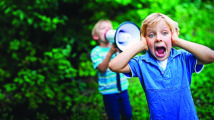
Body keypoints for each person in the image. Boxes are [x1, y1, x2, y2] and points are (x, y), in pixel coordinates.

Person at [109, 13, 214, 120]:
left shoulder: (183, 58)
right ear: (145, 40)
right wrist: (140, 45)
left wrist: (178, 41)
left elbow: (210, 56)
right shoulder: (141, 63)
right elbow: (114, 66)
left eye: (164, 33)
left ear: (173, 35)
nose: (158, 38)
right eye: (151, 35)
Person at [90, 19, 133, 120]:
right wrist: (110, 53)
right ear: (96, 36)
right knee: (114, 117)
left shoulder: (118, 47)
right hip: (109, 92)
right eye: (103, 28)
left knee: (128, 115)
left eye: (109, 27)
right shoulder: (96, 52)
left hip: (123, 89)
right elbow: (102, 69)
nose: (107, 29)